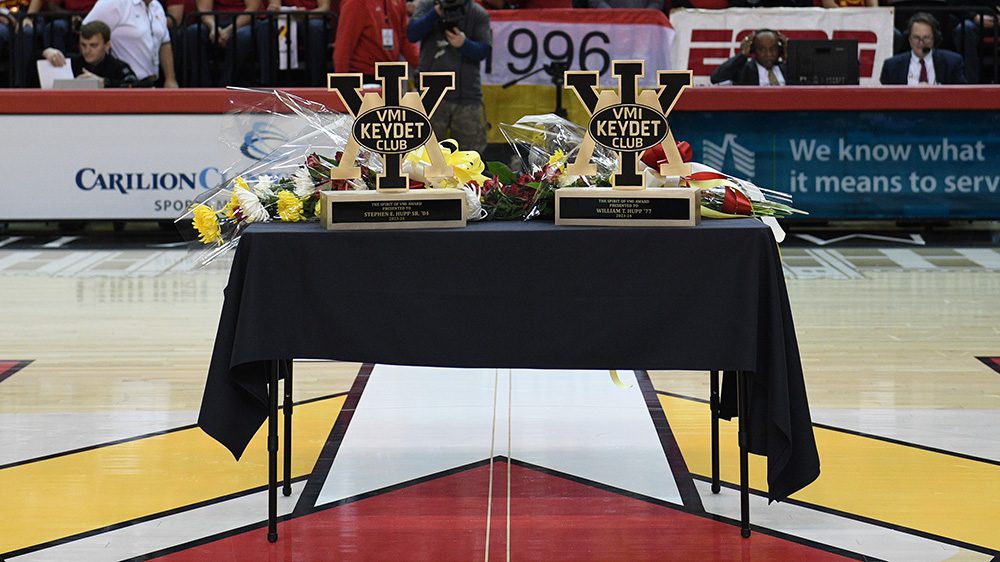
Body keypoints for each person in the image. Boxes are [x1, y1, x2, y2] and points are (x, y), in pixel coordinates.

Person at [407, 0, 491, 152]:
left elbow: (484, 50)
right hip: (431, 97)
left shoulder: (478, 13)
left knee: (471, 155)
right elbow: (412, 34)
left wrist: (464, 44)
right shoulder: (428, 5)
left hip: (467, 96)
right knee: (424, 154)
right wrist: (435, 13)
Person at [83, 0, 178, 86]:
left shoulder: (156, 6)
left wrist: (170, 78)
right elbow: (86, 30)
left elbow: (164, 42)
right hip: (121, 85)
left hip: (151, 84)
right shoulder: (113, 3)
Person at [183, 0, 271, 86]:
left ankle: (226, 83)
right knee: (194, 32)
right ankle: (202, 85)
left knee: (241, 37)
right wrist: (214, 27)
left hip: (245, 21)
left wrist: (229, 30)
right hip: (216, 20)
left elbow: (252, 8)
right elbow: (204, 10)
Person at [334, 0, 416, 82]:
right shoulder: (355, 3)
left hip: (390, 74)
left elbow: (405, 38)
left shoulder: (399, 2)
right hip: (363, 76)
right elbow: (344, 46)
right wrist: (342, 83)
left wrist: (423, 68)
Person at [41, 20, 139, 86]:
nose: (87, 51)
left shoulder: (118, 67)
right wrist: (46, 52)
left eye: (93, 45)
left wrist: (103, 82)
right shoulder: (70, 63)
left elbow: (133, 86)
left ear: (107, 45)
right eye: (83, 45)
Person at [879, 12, 966, 85]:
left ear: (934, 38)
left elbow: (962, 97)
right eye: (916, 38)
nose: (921, 43)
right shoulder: (892, 66)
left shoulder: (952, 63)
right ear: (909, 39)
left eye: (926, 38)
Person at [267, 0, 333, 86]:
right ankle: (269, 82)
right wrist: (274, 8)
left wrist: (306, 14)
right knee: (266, 27)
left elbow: (324, 8)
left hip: (312, 17)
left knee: (315, 27)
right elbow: (274, 5)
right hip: (287, 19)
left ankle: (316, 82)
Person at [710, 29, 787, 86]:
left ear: (780, 50)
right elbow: (716, 78)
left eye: (773, 49)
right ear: (753, 50)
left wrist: (790, 54)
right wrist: (743, 55)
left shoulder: (789, 70)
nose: (769, 54)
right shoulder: (744, 71)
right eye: (762, 50)